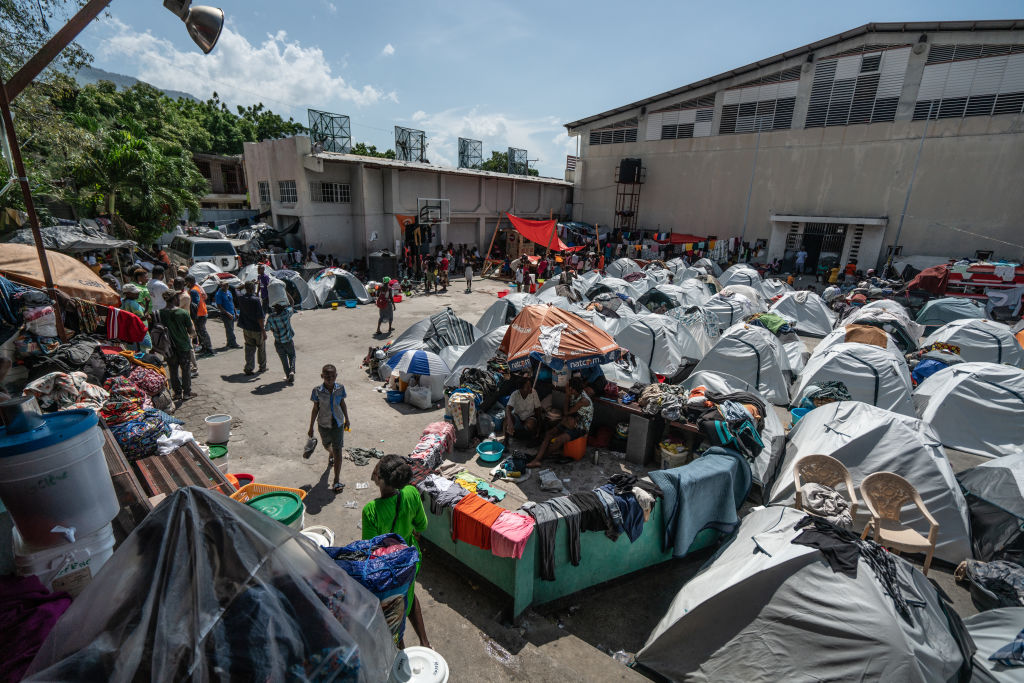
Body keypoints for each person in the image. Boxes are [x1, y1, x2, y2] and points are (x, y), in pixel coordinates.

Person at [362, 455, 430, 648]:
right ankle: (425, 644)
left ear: (381, 480)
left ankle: (401, 650)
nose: (374, 470)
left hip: (389, 571)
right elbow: (422, 525)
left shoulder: (371, 511)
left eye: (377, 469)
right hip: (410, 561)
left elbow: (371, 550)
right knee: (409, 594)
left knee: (393, 610)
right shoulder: (411, 493)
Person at [527, 377, 593, 468]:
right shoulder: (575, 393)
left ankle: (539, 458)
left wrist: (567, 395)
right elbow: (567, 414)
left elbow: (566, 412)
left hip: (581, 427)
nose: (566, 388)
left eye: (568, 387)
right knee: (549, 433)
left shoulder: (583, 400)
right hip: (571, 420)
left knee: (559, 440)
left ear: (572, 389)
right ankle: (537, 459)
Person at [308, 364, 349, 493]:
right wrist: (311, 427)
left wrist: (347, 419)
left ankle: (336, 480)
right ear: (322, 376)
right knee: (327, 445)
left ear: (336, 376)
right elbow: (315, 408)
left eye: (332, 376)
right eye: (327, 376)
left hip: (338, 424)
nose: (330, 378)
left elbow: (342, 403)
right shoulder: (317, 391)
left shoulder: (340, 388)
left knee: (338, 451)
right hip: (323, 425)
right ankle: (330, 452)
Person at [159, 291, 197, 401]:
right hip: (183, 346)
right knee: (186, 369)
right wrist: (192, 336)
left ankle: (177, 393)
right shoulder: (183, 313)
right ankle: (187, 393)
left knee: (173, 369)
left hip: (169, 347)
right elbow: (192, 331)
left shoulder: (159, 313)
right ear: (175, 299)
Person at [237, 281, 267, 375]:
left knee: (249, 348)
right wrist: (263, 330)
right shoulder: (256, 300)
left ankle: (249, 368)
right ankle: (262, 367)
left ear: (246, 289)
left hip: (246, 328)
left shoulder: (241, 298)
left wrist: (245, 285)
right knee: (261, 348)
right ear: (253, 289)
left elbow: (237, 289)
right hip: (257, 329)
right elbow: (260, 317)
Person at [503, 376, 542, 442]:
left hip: (529, 417)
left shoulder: (533, 392)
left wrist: (539, 426)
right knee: (506, 420)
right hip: (517, 417)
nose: (530, 389)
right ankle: (505, 441)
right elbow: (508, 408)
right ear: (521, 389)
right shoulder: (515, 394)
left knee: (531, 425)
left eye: (530, 386)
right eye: (528, 387)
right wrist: (510, 422)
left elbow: (538, 409)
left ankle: (532, 440)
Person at [266, 302, 296, 383]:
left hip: (278, 342)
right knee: (292, 355)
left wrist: (273, 329)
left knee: (283, 359)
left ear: (274, 308)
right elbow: (292, 304)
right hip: (288, 340)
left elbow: (267, 328)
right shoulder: (286, 313)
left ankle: (288, 376)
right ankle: (292, 371)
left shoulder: (271, 317)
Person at [185, 275, 213, 356]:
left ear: (190, 282)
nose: (185, 284)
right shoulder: (195, 288)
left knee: (202, 332)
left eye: (186, 282)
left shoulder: (193, 290)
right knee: (200, 332)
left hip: (200, 314)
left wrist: (194, 315)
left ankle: (209, 349)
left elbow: (195, 304)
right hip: (201, 313)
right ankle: (204, 348)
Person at [119, 284, 152, 351]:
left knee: (132, 351)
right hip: (138, 332)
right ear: (128, 294)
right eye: (135, 292)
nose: (138, 293)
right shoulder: (132, 303)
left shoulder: (122, 301)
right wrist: (147, 303)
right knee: (141, 353)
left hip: (129, 332)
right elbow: (143, 318)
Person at [215, 282, 241, 349]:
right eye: (224, 285)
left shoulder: (229, 292)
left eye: (227, 285)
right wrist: (228, 313)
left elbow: (232, 302)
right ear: (221, 286)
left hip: (232, 312)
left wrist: (235, 312)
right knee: (229, 329)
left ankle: (229, 343)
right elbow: (219, 306)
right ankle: (233, 343)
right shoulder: (219, 294)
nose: (226, 287)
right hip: (225, 314)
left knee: (231, 329)